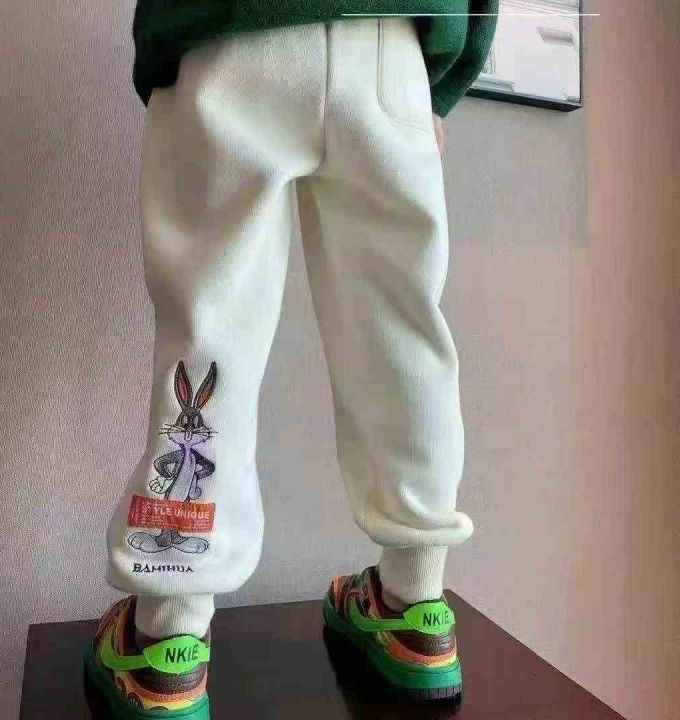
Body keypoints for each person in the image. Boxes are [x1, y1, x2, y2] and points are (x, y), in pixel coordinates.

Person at [84, 3, 498, 717]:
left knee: (208, 337)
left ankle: (168, 639)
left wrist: (162, 43)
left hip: (228, 27)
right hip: (388, 45)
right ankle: (415, 601)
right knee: (402, 332)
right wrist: (445, 77)